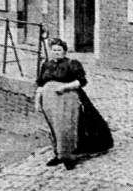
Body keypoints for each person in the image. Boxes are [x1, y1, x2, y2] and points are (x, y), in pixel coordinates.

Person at [35, 38, 112, 170]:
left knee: (69, 127)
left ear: (64, 51)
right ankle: (59, 154)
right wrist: (37, 101)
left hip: (69, 99)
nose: (56, 52)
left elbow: (81, 81)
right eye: (54, 50)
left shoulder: (72, 64)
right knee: (55, 127)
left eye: (59, 50)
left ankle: (70, 156)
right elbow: (41, 84)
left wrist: (65, 88)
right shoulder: (46, 65)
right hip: (50, 102)